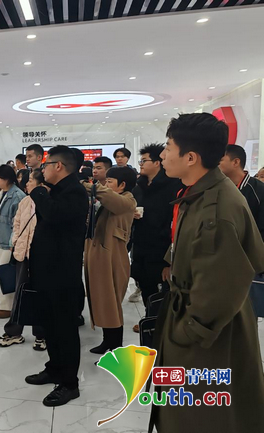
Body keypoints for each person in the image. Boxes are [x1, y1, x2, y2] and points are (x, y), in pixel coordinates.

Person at [149, 113, 264, 433]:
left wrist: (187, 332)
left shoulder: (217, 208)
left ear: (190, 157)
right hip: (197, 318)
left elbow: (222, 290)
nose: (162, 155)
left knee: (201, 415)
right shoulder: (201, 192)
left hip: (208, 334)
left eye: (168, 147)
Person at [24, 146, 89, 408]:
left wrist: (38, 191)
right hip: (47, 271)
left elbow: (54, 215)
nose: (43, 169)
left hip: (62, 274)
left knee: (65, 328)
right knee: (49, 324)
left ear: (58, 166)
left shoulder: (75, 192)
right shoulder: (58, 190)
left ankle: (70, 384)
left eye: (46, 164)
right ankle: (54, 369)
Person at [84, 167, 137, 354]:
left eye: (110, 182)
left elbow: (109, 197)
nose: (106, 185)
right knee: (104, 301)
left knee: (111, 303)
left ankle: (115, 347)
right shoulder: (111, 200)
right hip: (102, 256)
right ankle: (107, 341)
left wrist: (88, 186)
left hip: (113, 257)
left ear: (122, 185)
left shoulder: (127, 201)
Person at [129, 144, 182, 332]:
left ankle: (162, 324)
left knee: (163, 290)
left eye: (144, 160)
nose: (141, 164)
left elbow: (174, 223)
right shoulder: (139, 187)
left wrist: (170, 261)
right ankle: (150, 319)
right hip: (141, 245)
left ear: (158, 163)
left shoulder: (173, 186)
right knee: (146, 285)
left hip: (162, 248)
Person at [0, 169, 46, 350]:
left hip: (41, 257)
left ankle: (41, 334)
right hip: (23, 255)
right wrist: (15, 242)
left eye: (31, 180)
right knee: (20, 293)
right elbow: (16, 224)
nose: (27, 183)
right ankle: (14, 332)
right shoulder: (25, 201)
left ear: (41, 184)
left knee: (40, 295)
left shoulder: (49, 203)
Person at [219, 144, 264, 318]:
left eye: (221, 159)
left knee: (247, 312)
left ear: (235, 162)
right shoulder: (219, 188)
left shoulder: (257, 190)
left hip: (247, 263)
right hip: (222, 261)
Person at [0, 164, 26, 318]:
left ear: (7, 179)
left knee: (8, 273)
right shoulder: (2, 193)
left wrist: (14, 242)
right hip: (1, 239)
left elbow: (18, 223)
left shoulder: (17, 196)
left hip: (10, 243)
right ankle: (5, 304)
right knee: (4, 272)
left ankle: (7, 307)